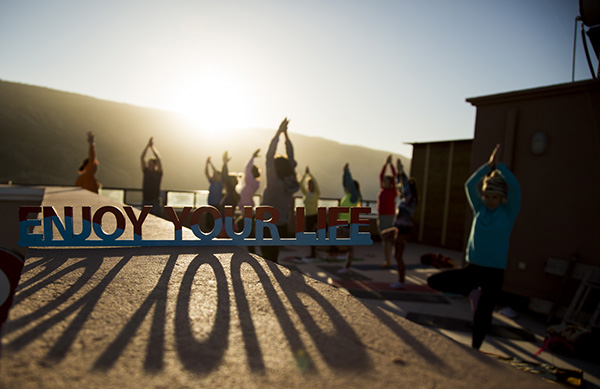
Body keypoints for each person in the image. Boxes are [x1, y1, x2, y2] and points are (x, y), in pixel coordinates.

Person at [427, 144, 521, 350]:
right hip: (474, 268)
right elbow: (470, 185)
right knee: (434, 281)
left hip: (494, 271)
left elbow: (515, 188)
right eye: (486, 196)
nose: (488, 200)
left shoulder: (508, 212)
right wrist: (487, 167)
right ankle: (471, 291)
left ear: (502, 197)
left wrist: (500, 167)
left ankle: (475, 349)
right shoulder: (480, 209)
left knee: (483, 315)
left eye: (493, 197)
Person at [260, 118, 299, 263]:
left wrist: (279, 132)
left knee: (266, 252)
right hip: (282, 222)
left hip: (266, 220)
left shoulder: (273, 178)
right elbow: (291, 155)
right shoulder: (291, 180)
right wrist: (286, 135)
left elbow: (270, 154)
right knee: (274, 254)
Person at [384, 158, 418, 289]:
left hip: (404, 230)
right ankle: (401, 279)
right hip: (399, 228)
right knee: (395, 252)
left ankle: (401, 280)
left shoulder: (410, 199)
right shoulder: (405, 199)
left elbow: (404, 185)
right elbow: (400, 183)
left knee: (398, 256)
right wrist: (398, 173)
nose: (400, 190)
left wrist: (400, 170)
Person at [337, 163, 362, 274]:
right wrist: (344, 174)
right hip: (342, 224)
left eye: (349, 186)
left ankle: (347, 266)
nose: (347, 187)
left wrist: (348, 172)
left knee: (349, 247)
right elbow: (345, 184)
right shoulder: (347, 196)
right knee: (347, 246)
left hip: (349, 224)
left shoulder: (354, 197)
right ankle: (347, 265)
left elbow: (350, 185)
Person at [236, 149, 261, 252]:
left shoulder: (250, 182)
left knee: (245, 228)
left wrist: (252, 157)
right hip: (248, 209)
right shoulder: (253, 183)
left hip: (248, 210)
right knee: (246, 228)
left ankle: (251, 250)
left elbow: (247, 168)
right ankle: (251, 250)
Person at [377, 155, 397, 268]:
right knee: (385, 240)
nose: (383, 181)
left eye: (386, 180)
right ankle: (387, 260)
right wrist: (385, 164)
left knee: (388, 240)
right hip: (381, 216)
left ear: (390, 183)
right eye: (383, 180)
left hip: (389, 216)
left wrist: (391, 165)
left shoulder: (393, 191)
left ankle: (389, 261)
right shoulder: (382, 189)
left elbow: (395, 177)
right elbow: (380, 175)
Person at [300, 166, 320, 259]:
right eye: (309, 185)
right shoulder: (306, 194)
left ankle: (315, 252)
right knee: (310, 235)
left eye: (312, 185)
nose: (310, 186)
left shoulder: (316, 193)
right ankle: (312, 252)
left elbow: (316, 184)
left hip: (315, 216)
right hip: (307, 216)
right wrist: (305, 175)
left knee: (315, 234)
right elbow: (300, 184)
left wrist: (310, 174)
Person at [140, 137, 163, 216]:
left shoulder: (158, 173)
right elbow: (142, 158)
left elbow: (159, 159)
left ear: (155, 165)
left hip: (155, 200)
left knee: (157, 218)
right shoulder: (146, 171)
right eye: (149, 164)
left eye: (151, 164)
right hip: (146, 199)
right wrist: (147, 146)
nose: (149, 165)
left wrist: (152, 147)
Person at [204, 156, 223, 231]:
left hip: (217, 206)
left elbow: (215, 172)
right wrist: (206, 164)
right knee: (209, 224)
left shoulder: (219, 183)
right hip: (210, 205)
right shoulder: (212, 182)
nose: (213, 176)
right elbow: (206, 173)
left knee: (215, 223)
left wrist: (211, 163)